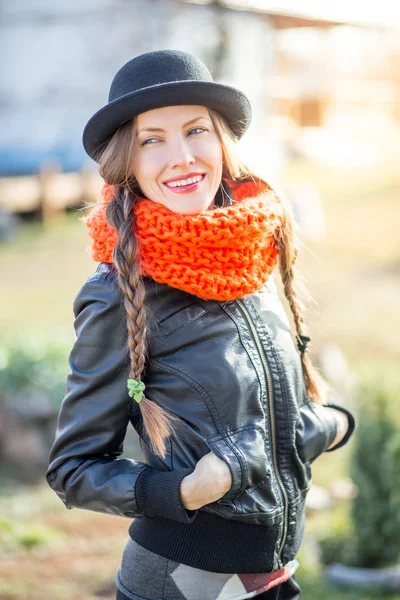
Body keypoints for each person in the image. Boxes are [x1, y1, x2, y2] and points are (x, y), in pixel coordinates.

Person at [45, 49, 356, 600]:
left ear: (222, 143)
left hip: (273, 572)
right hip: (181, 581)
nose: (182, 157)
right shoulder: (118, 293)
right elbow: (73, 467)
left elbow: (255, 420)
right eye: (152, 140)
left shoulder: (256, 254)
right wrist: (182, 491)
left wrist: (325, 425)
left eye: (196, 131)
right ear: (128, 162)